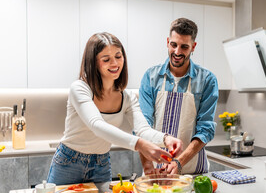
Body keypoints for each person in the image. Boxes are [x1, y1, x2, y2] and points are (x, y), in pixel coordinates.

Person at [47, 32, 182, 185]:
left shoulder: (127, 97)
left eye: (118, 56)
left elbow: (143, 130)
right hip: (69, 162)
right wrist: (139, 144)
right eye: (106, 59)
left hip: (101, 163)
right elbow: (96, 125)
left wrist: (166, 139)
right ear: (93, 63)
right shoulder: (80, 88)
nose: (115, 63)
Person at [139, 18, 219, 175]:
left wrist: (179, 163)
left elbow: (205, 130)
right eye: (174, 45)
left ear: (193, 47)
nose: (177, 52)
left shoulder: (207, 80)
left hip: (192, 171)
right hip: (156, 170)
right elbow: (143, 127)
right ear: (168, 42)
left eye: (184, 47)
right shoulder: (151, 77)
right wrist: (149, 169)